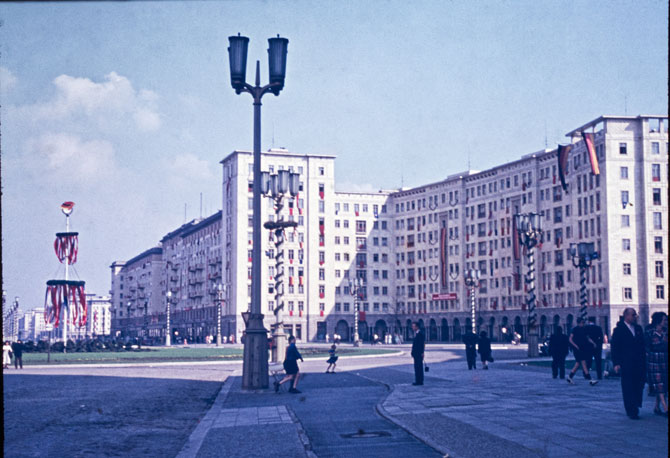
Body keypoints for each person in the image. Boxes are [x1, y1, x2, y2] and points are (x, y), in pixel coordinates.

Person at [611, 308, 646, 419]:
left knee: (638, 384)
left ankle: (636, 403)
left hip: (638, 362)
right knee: (628, 386)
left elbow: (642, 344)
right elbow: (615, 347)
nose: (635, 317)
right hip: (626, 362)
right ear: (626, 316)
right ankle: (631, 410)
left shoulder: (638, 328)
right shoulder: (619, 330)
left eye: (635, 315)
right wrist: (616, 363)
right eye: (633, 315)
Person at [644, 311, 668, 417]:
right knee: (659, 384)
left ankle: (657, 407)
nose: (666, 322)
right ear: (658, 321)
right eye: (664, 320)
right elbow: (649, 347)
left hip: (664, 361)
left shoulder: (666, 332)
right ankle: (665, 407)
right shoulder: (650, 332)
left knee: (663, 384)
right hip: (654, 361)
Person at [567, 317, 598, 385]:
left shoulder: (584, 329)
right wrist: (575, 345)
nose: (583, 324)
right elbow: (570, 339)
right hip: (577, 349)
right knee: (583, 363)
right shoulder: (575, 329)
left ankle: (570, 377)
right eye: (582, 323)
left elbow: (587, 338)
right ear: (579, 323)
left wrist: (593, 343)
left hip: (582, 348)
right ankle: (590, 379)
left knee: (578, 364)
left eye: (584, 323)